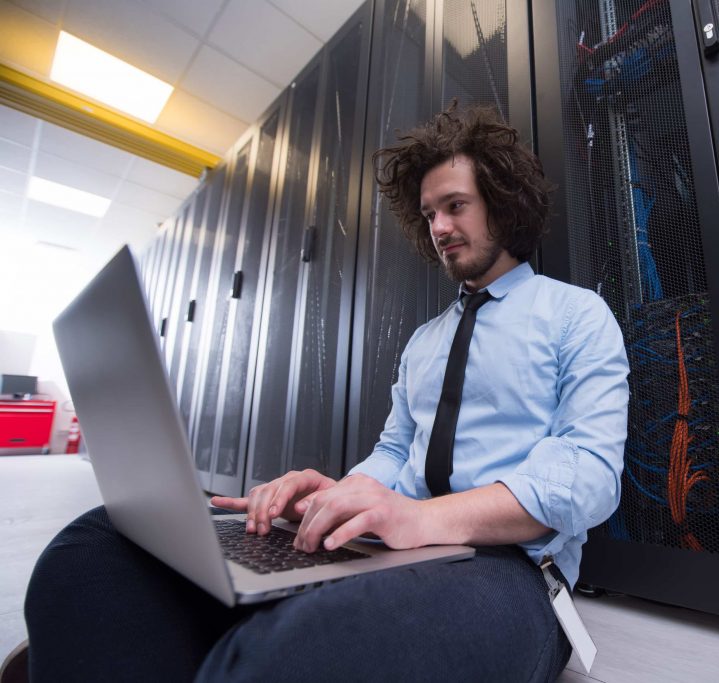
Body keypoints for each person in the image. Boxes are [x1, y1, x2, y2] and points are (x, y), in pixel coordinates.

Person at [23, 104, 629, 682]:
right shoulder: (424, 342)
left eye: (455, 206)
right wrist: (335, 498)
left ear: (502, 201)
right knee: (93, 546)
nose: (440, 228)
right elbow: (394, 452)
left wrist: (421, 518)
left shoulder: (575, 315)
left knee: (291, 654)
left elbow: (590, 475)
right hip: (388, 547)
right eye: (428, 214)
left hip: (512, 569)